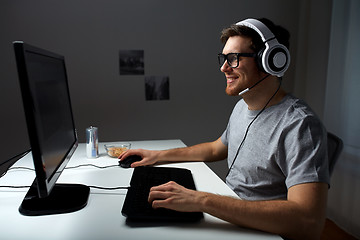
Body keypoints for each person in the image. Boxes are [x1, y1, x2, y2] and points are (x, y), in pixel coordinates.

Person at [119, 18, 329, 240]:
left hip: (260, 232)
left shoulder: (300, 125)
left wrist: (201, 200)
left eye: (234, 58)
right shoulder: (243, 106)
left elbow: (309, 220)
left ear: (270, 61)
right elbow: (215, 149)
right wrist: (157, 156)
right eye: (224, 58)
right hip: (230, 218)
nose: (224, 67)